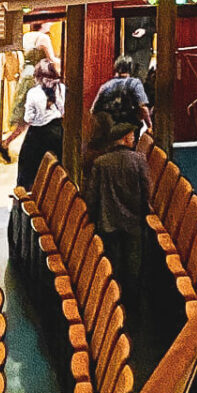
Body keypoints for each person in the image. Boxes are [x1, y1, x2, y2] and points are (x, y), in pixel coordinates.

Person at [86, 118, 149, 311]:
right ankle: (133, 307)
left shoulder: (100, 163)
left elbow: (92, 196)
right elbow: (147, 191)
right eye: (131, 135)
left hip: (108, 222)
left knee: (112, 266)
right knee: (133, 266)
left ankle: (113, 306)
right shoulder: (138, 160)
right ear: (124, 138)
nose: (134, 138)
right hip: (133, 222)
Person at [0, 30, 52, 161]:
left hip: (26, 76)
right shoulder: (43, 38)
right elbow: (51, 59)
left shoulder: (26, 37)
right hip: (35, 77)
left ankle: (7, 143)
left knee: (27, 117)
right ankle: (35, 151)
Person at [17, 60, 65, 190]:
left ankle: (27, 196)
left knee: (27, 167)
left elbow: (29, 118)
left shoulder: (33, 93)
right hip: (57, 132)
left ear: (38, 77)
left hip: (37, 135)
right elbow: (63, 111)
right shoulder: (62, 88)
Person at [93, 55, 152, 135]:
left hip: (108, 132)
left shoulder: (105, 86)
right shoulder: (135, 84)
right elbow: (143, 108)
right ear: (131, 68)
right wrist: (150, 126)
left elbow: (94, 110)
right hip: (128, 131)